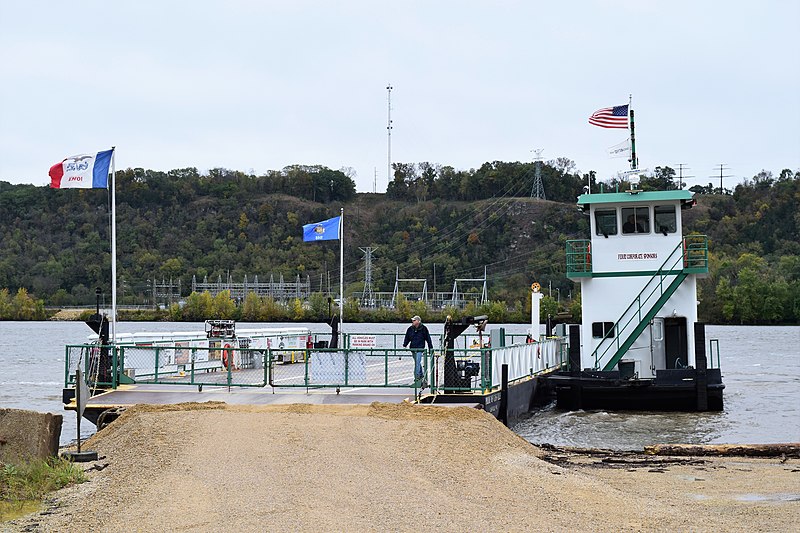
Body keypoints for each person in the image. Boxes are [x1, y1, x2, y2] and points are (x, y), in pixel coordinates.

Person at [403, 315, 433, 386]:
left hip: (420, 348)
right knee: (417, 362)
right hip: (413, 348)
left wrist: (430, 348)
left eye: (414, 320)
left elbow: (428, 338)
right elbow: (407, 337)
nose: (412, 322)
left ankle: (417, 377)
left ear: (418, 321)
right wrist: (405, 344)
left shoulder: (424, 329)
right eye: (412, 320)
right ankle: (421, 375)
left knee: (417, 362)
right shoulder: (410, 329)